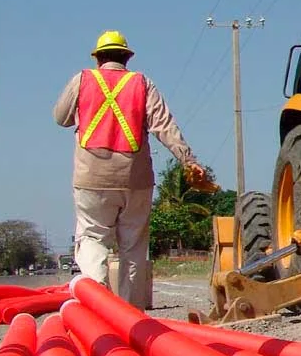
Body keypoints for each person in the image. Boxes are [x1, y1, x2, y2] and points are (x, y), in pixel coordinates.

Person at [52, 30, 217, 310]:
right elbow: (165, 126)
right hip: (136, 180)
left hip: (91, 179)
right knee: (133, 250)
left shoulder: (82, 79)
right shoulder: (142, 83)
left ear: (98, 58)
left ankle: (99, 309)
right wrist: (188, 161)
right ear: (127, 58)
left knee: (92, 239)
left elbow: (60, 118)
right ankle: (129, 315)